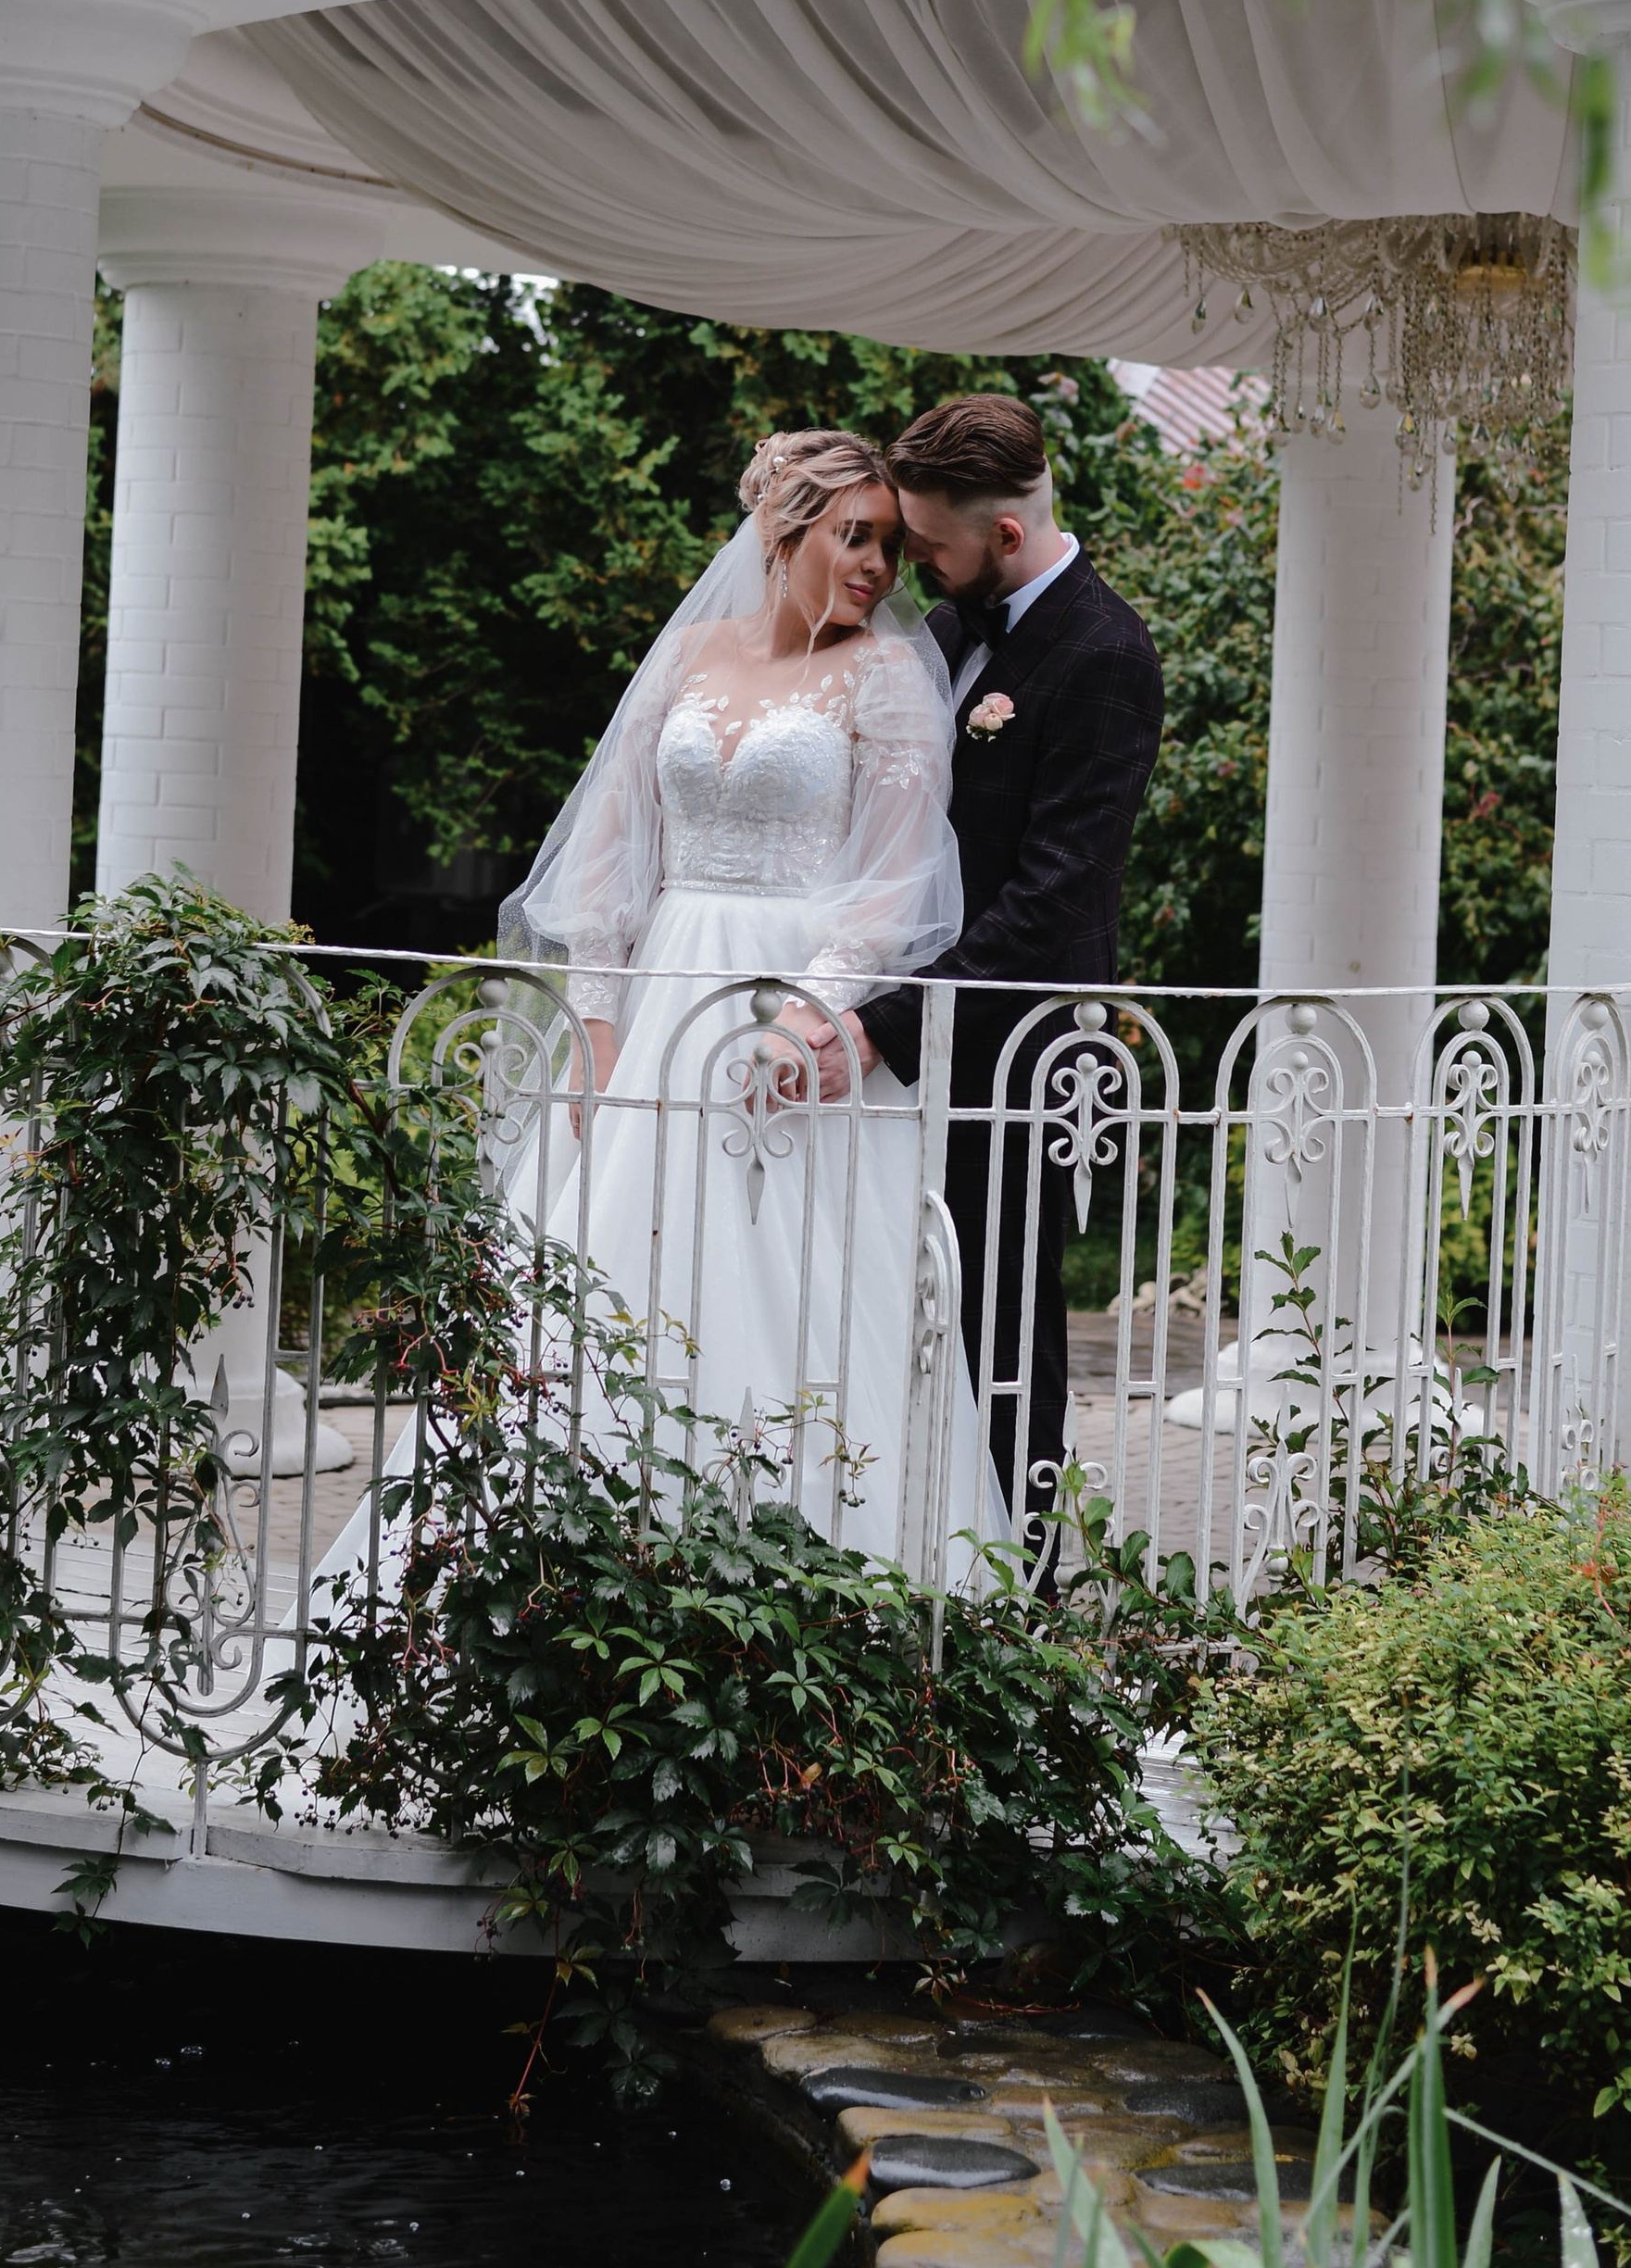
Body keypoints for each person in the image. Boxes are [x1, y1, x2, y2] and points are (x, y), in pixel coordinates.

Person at [486, 428, 970, 1567]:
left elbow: (891, 886)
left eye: (891, 546)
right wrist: (597, 1032)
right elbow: (606, 862)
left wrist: (807, 1022)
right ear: (779, 532)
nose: (877, 569)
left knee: (784, 1279)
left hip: (789, 1010)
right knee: (613, 1262)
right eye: (855, 537)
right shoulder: (690, 655)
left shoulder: (891, 676)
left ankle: (796, 1554)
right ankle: (581, 1554)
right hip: (659, 1000)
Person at [808, 395, 1164, 1551]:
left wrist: (884, 1024)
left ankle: (1018, 1587)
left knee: (1006, 1331)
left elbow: (1055, 894)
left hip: (1017, 1058)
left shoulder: (1105, 653)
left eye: (929, 543)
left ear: (1002, 536)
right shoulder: (955, 633)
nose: (912, 562)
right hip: (907, 1035)